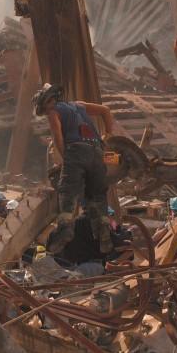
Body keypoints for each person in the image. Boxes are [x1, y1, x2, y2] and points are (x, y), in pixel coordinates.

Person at [33, 83, 117, 254]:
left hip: (76, 150)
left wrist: (66, 160)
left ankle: (65, 230)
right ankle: (104, 236)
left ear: (48, 101)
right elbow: (105, 110)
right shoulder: (79, 105)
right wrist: (108, 135)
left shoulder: (53, 111)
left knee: (68, 191)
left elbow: (57, 136)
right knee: (97, 197)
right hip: (97, 152)